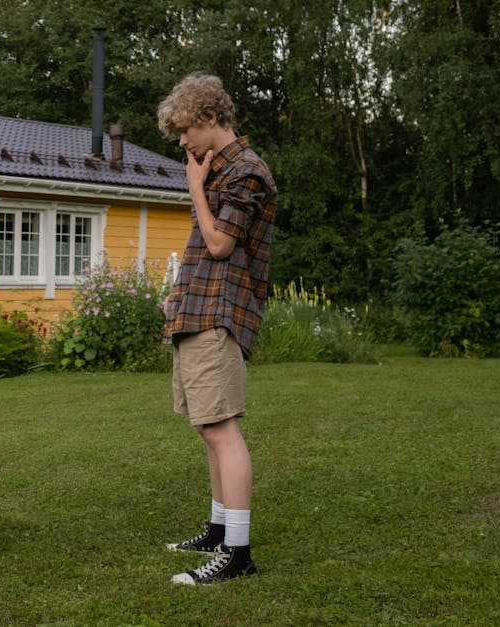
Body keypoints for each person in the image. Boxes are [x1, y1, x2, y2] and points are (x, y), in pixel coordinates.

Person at [156, 72, 277, 585]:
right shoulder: (216, 170)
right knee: (208, 427)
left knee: (223, 429)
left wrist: (195, 189)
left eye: (185, 130)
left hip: (219, 314)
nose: (182, 142)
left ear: (209, 118)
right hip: (196, 308)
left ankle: (238, 553)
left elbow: (221, 244)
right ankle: (219, 527)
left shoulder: (245, 172)